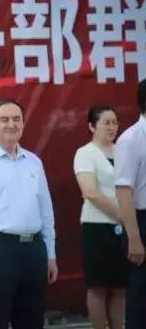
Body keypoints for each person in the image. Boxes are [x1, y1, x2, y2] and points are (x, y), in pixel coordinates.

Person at [0, 99, 58, 329]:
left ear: (23, 123)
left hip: (34, 250)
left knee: (32, 320)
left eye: (17, 119)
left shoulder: (33, 162)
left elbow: (46, 211)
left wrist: (50, 254)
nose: (11, 125)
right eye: (4, 119)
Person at [73, 105, 126, 329]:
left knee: (120, 286)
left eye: (115, 122)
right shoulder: (85, 153)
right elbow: (90, 192)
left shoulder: (123, 151)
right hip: (97, 227)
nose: (112, 127)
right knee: (98, 286)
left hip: (123, 229)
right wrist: (122, 215)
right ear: (92, 126)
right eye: (106, 123)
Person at [115, 79, 146, 329]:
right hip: (142, 221)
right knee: (141, 294)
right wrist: (134, 238)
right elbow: (123, 191)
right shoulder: (130, 139)